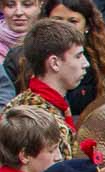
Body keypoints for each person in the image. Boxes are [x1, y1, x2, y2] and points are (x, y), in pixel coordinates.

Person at [6, 16, 89, 154]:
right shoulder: (41, 121)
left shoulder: (30, 102)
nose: (86, 63)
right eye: (78, 56)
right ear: (54, 63)